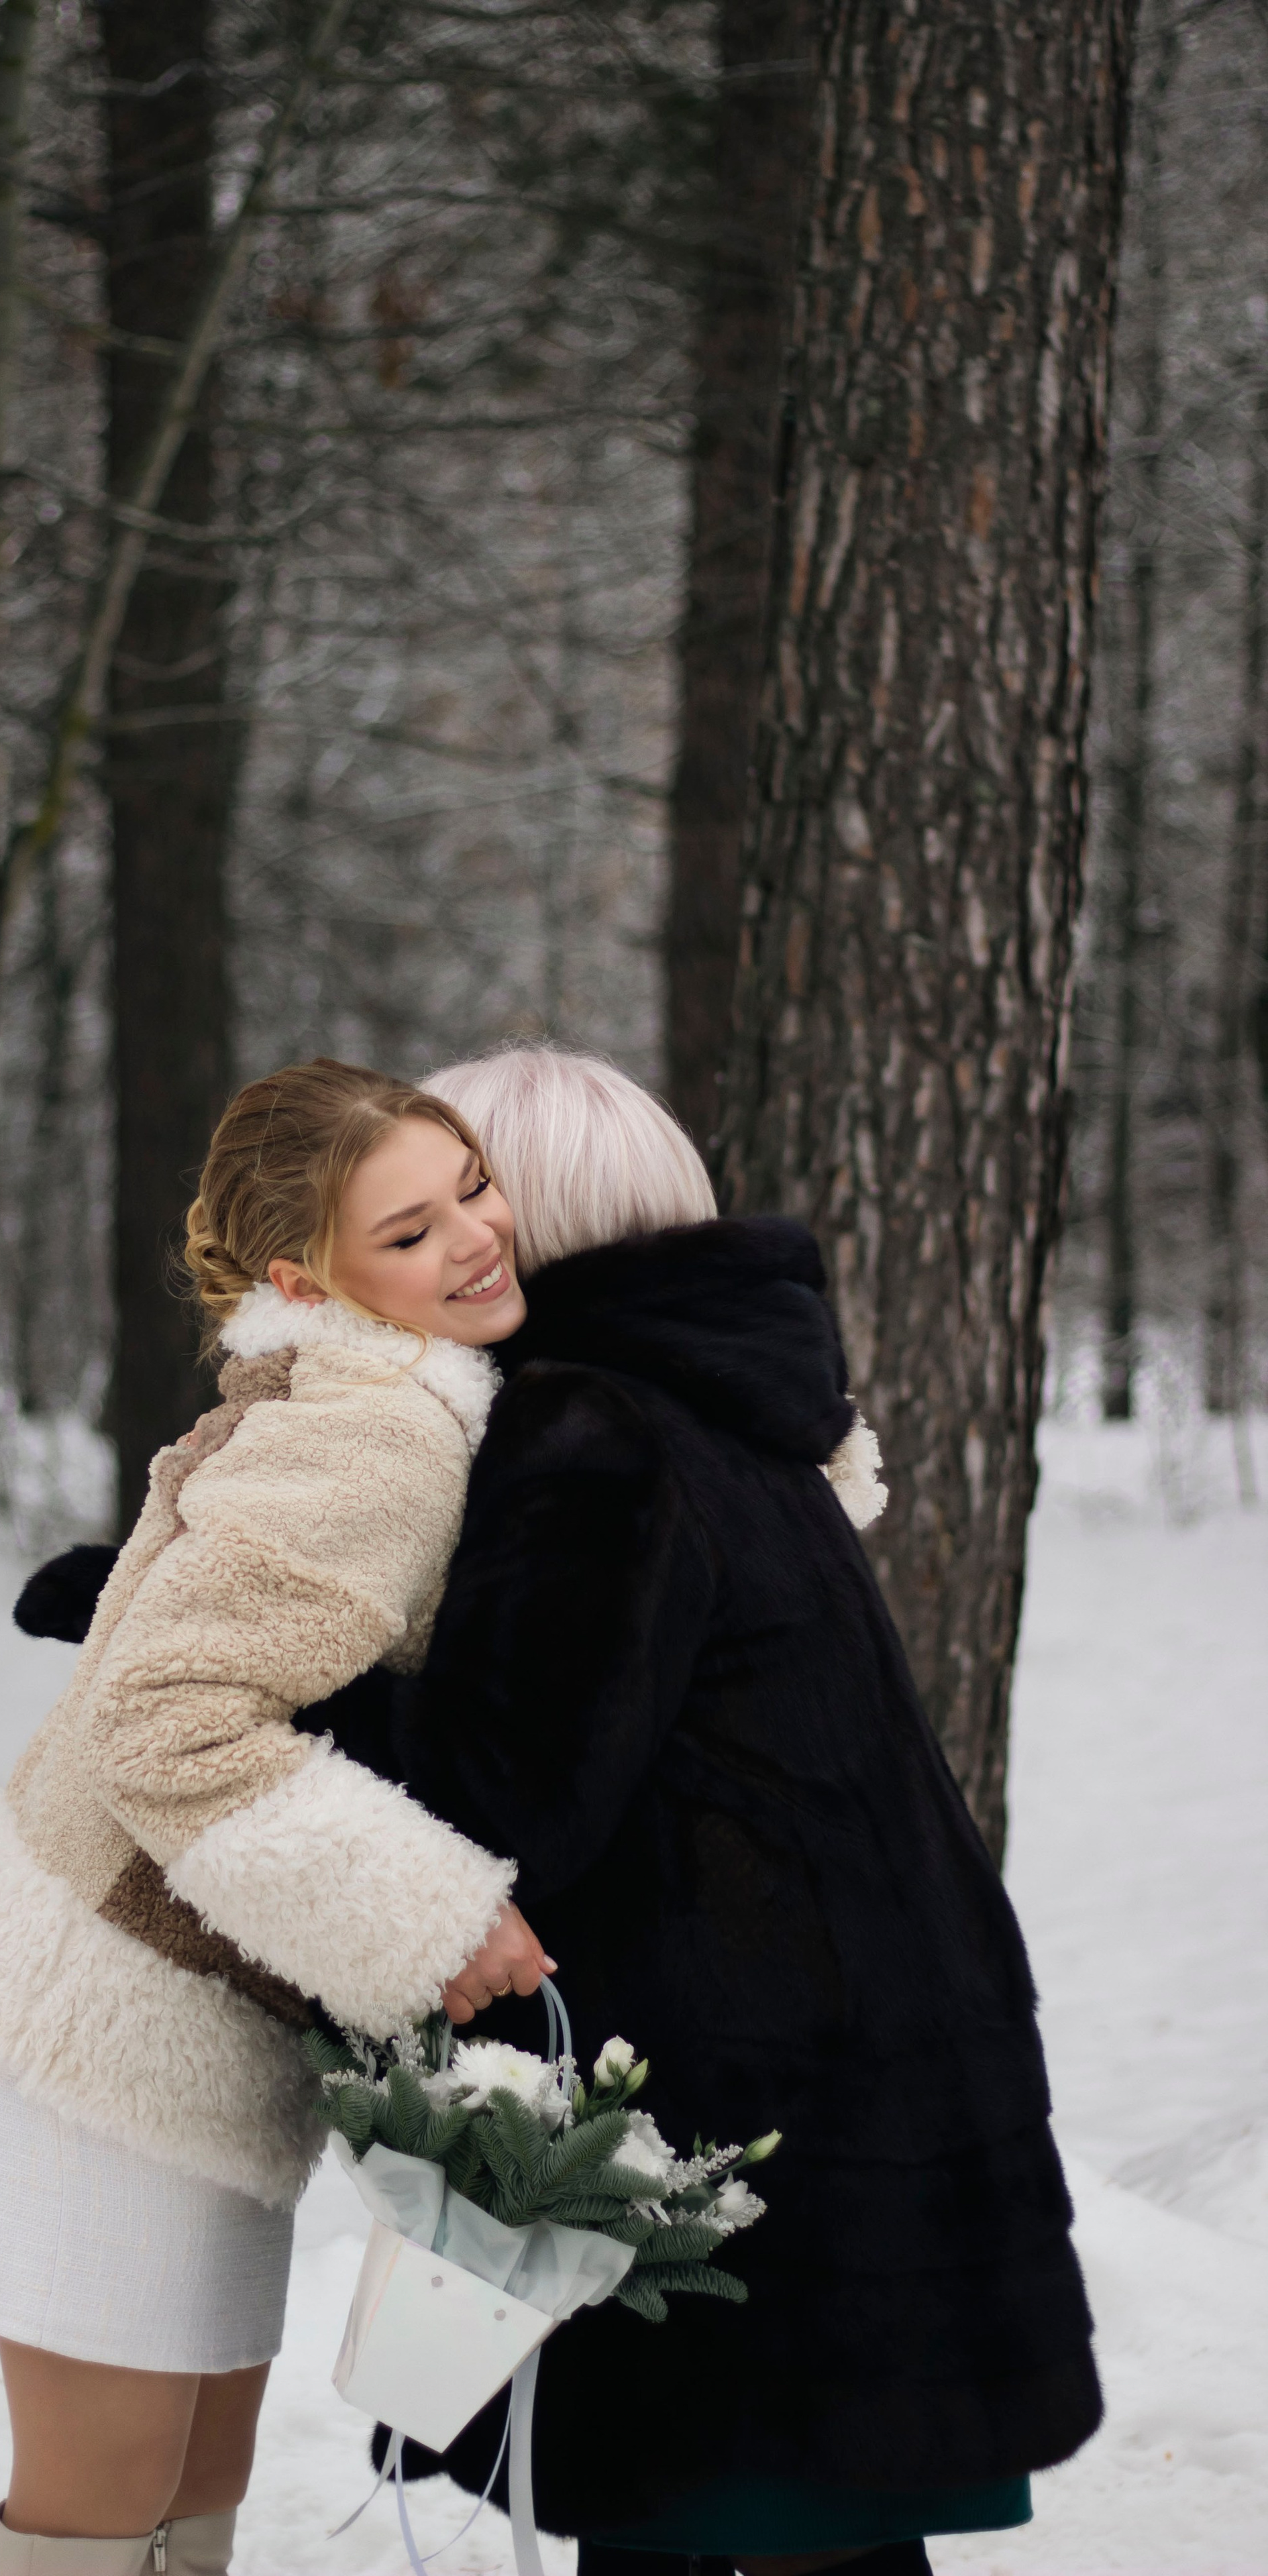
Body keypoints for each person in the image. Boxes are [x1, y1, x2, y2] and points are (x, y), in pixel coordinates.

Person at [356, 1045, 1103, 2576]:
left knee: (709, 2526)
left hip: (741, 2117)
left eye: (460, 1198)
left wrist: (274, 1673)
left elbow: (505, 1793)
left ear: (523, 1221)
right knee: (815, 2534)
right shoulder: (733, 1409)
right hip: (866, 2084)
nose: (439, 1241)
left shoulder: (588, 1427)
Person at [0, 1058, 551, 2576]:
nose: (473, 1237)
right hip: (110, 2018)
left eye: (472, 1187)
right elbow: (165, 1721)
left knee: (191, 2481)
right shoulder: (379, 1427)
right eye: (409, 1232)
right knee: (105, 2501)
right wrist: (438, 1911)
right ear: (305, 1280)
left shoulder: (378, 1385)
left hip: (179, 2012)